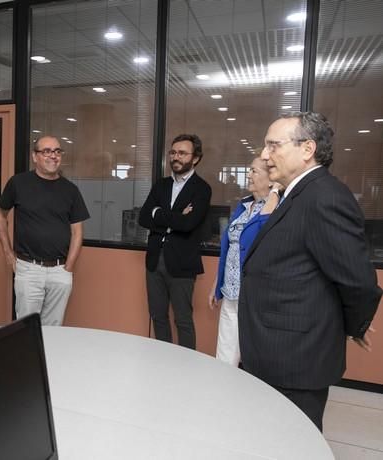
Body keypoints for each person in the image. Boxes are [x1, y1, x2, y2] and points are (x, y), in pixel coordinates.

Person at [239, 112, 381, 431]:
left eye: (273, 145)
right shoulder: (296, 194)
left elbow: (357, 280)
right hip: (276, 350)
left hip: (295, 358)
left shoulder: (324, 197)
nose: (264, 155)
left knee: (292, 442)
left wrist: (353, 324)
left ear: (307, 149)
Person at [0, 136, 89, 326]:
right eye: (46, 151)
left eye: (57, 151)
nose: (53, 156)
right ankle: (27, 357)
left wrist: (68, 267)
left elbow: (78, 232)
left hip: (60, 271)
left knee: (53, 328)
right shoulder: (18, 183)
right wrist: (7, 252)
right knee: (26, 328)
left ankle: (48, 357)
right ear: (34, 156)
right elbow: (0, 215)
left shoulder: (71, 190)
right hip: (28, 269)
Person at [138, 134, 212, 349]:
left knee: (183, 319)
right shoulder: (160, 185)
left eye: (182, 153)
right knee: (157, 315)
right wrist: (177, 216)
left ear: (195, 158)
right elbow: (143, 217)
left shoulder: (202, 188)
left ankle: (187, 368)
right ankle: (164, 362)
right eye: (173, 152)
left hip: (181, 263)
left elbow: (189, 224)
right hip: (154, 261)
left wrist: (158, 213)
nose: (175, 157)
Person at [208, 158, 279, 366]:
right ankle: (222, 392)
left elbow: (260, 235)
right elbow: (229, 247)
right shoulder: (243, 205)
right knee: (225, 353)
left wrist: (275, 194)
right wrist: (217, 283)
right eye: (249, 170)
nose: (249, 175)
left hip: (254, 294)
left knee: (252, 355)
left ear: (270, 179)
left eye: (254, 171)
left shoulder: (277, 207)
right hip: (230, 290)